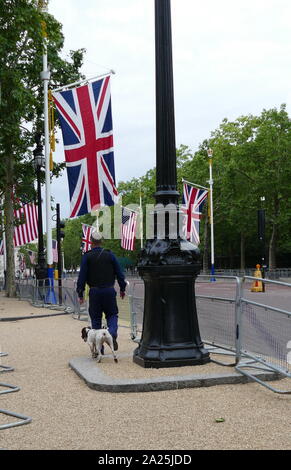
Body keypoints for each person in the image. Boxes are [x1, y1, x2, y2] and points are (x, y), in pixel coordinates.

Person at [76, 230, 127, 351]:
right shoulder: (110, 255)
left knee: (96, 319)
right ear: (101, 242)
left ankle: (100, 348)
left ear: (91, 242)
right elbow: (120, 274)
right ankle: (112, 333)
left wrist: (80, 293)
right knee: (112, 314)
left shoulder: (87, 257)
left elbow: (82, 277)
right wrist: (122, 288)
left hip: (94, 292)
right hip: (109, 290)